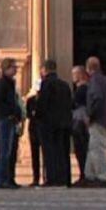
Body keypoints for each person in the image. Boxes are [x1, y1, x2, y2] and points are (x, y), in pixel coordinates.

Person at [36, 59, 74, 187]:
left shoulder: (46, 84)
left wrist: (37, 116)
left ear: (44, 70)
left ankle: (52, 178)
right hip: (64, 123)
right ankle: (65, 178)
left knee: (50, 152)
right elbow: (70, 103)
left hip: (49, 124)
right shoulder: (65, 85)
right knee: (63, 152)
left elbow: (42, 104)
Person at [82, 56, 106, 188]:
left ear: (88, 68)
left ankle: (102, 176)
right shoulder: (105, 81)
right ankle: (89, 175)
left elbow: (97, 98)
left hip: (98, 120)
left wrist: (90, 115)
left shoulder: (94, 81)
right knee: (93, 148)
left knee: (97, 149)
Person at [0, 57, 23, 189]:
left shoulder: (10, 83)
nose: (16, 69)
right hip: (4, 119)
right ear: (6, 68)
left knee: (7, 150)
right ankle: (1, 179)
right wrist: (11, 112)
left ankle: (4, 178)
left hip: (8, 119)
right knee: (4, 151)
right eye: (13, 67)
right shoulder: (3, 83)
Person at [70, 66, 90, 186]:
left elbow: (75, 104)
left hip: (80, 122)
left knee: (81, 150)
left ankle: (84, 174)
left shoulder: (82, 89)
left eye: (75, 74)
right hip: (81, 121)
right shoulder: (83, 88)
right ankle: (84, 174)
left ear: (81, 75)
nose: (73, 77)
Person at [25, 82, 43, 187]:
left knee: (45, 154)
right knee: (34, 154)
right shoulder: (30, 100)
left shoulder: (45, 99)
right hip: (33, 128)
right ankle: (36, 178)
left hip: (43, 127)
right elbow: (28, 114)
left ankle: (45, 176)